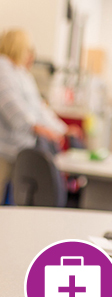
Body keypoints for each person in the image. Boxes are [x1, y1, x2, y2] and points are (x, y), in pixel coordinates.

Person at [0, 29, 67, 202]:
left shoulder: (21, 73)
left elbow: (38, 108)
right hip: (4, 149)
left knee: (14, 200)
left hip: (20, 148)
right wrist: (38, 128)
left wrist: (61, 129)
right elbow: (13, 107)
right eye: (28, 49)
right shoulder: (2, 67)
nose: (31, 55)